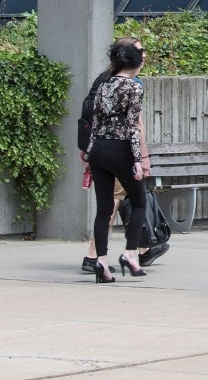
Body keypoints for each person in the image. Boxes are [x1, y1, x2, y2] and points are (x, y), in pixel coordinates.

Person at [79, 37, 168, 272]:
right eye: (140, 51)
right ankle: (128, 254)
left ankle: (103, 261)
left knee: (105, 208)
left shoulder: (104, 83)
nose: (144, 55)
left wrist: (88, 155)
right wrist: (141, 160)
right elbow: (133, 127)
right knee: (136, 202)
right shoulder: (134, 86)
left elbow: (95, 122)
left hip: (98, 150)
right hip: (121, 151)